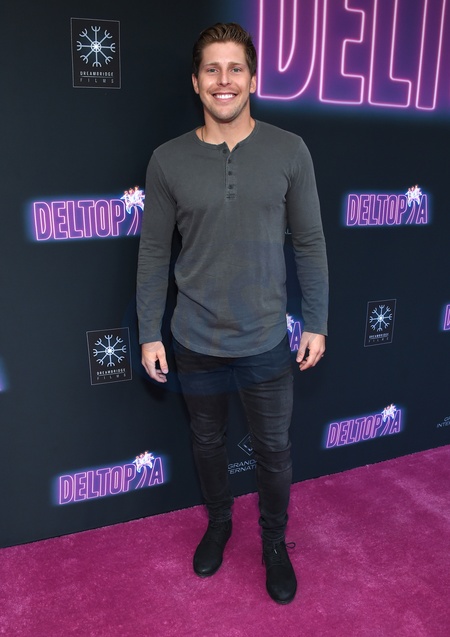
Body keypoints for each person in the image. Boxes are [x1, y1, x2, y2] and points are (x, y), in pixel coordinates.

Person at [136, 22, 328, 605]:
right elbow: (153, 251)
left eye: (236, 68)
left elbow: (310, 241)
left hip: (266, 338)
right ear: (196, 82)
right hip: (194, 338)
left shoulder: (290, 150)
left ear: (253, 78)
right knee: (207, 440)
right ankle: (219, 522)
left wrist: (317, 320)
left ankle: (274, 542)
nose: (225, 80)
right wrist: (149, 332)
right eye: (213, 70)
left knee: (274, 451)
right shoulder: (167, 160)